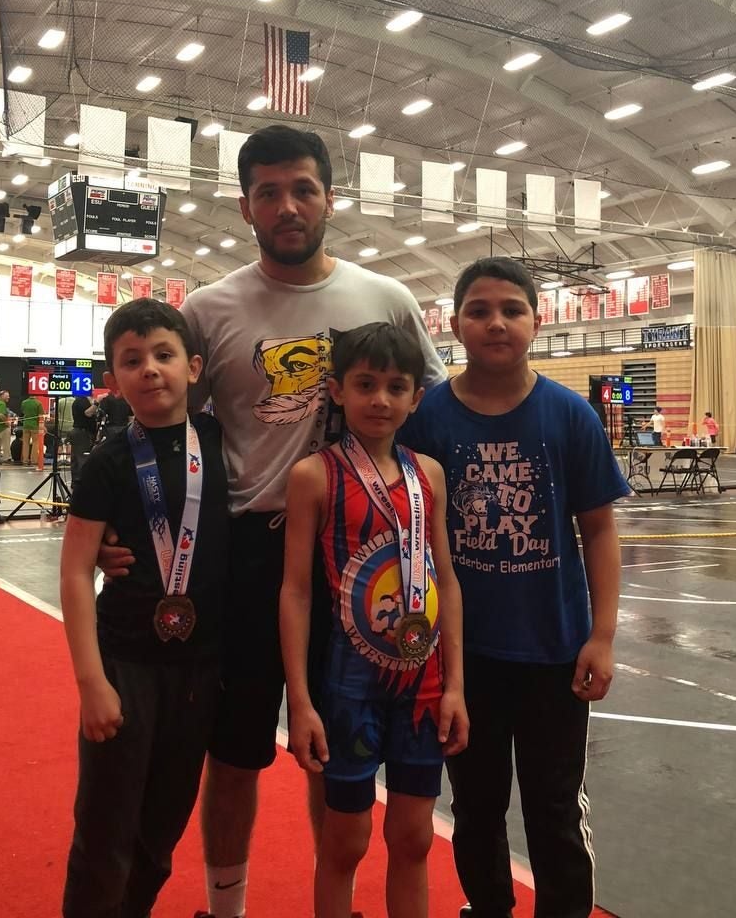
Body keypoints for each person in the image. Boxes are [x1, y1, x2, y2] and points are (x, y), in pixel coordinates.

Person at [98, 124, 445, 918]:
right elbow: (161, 426)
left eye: (303, 190)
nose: (287, 206)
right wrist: (118, 525)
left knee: (336, 747)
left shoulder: (386, 299)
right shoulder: (209, 309)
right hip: (249, 557)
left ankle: (335, 905)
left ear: (330, 198)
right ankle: (226, 910)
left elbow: (432, 413)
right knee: (235, 752)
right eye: (269, 193)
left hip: (364, 555)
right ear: (245, 206)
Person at [399, 257, 629, 918]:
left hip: (555, 653)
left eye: (511, 310)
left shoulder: (570, 416)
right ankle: (489, 908)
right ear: (454, 325)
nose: (496, 323)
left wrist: (602, 636)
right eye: (479, 310)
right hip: (464, 659)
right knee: (475, 806)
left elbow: (599, 531)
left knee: (555, 808)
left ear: (537, 320)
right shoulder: (428, 419)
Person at [281, 323, 468, 918]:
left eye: (395, 387)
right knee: (345, 841)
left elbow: (446, 579)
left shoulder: (429, 474)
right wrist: (300, 702)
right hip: (349, 688)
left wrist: (456, 686)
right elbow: (296, 592)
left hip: (424, 687)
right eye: (365, 385)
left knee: (414, 839)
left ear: (417, 397)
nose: (380, 399)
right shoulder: (314, 476)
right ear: (337, 390)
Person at [59, 298, 230, 918]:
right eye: (132, 361)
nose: (150, 369)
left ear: (193, 367)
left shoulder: (219, 440)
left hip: (199, 669)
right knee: (106, 825)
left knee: (163, 825)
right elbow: (75, 570)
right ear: (113, 378)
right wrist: (91, 682)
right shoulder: (107, 463)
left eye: (163, 355)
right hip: (125, 662)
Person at [69, 393, 98, 484]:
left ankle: (76, 482)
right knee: (83, 459)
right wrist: (96, 403)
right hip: (82, 433)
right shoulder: (82, 401)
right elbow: (88, 413)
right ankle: (83, 483)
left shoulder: (79, 401)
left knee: (76, 459)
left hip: (78, 432)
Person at [19, 391, 45, 465]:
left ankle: (25, 460)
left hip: (26, 424)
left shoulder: (24, 402)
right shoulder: (38, 403)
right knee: (35, 443)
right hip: (34, 425)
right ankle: (33, 460)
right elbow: (40, 416)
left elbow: (22, 412)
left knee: (25, 443)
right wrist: (42, 427)